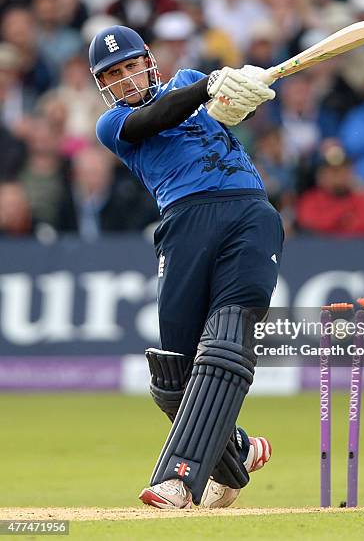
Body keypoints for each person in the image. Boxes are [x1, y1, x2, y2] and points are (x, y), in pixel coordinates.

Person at [88, 25, 282, 509]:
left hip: (246, 210)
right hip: (184, 221)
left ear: (148, 62)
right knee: (172, 377)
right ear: (103, 84)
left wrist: (241, 95)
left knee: (226, 335)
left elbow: (231, 112)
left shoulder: (190, 79)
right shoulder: (113, 124)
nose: (127, 78)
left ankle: (179, 479)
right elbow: (157, 117)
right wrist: (209, 86)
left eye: (132, 65)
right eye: (114, 73)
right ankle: (236, 452)